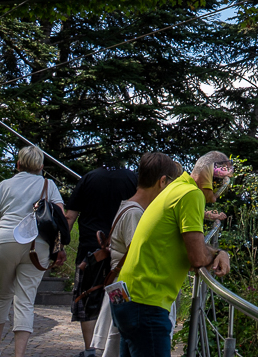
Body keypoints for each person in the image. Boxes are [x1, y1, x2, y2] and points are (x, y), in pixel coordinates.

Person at [113, 152, 232, 357]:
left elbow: (189, 245)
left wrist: (217, 252)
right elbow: (197, 257)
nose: (219, 192)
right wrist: (218, 255)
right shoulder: (191, 194)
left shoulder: (176, 187)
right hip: (146, 303)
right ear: (208, 176)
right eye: (221, 181)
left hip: (125, 296)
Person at [89, 154, 181, 357]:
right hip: (131, 293)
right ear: (162, 182)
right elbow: (144, 256)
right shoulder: (135, 213)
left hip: (123, 291)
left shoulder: (129, 207)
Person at [0, 146, 67, 357]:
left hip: (4, 242)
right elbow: (60, 218)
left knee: (1, 296)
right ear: (41, 167)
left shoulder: (3, 186)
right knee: (25, 301)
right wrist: (59, 248)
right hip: (37, 245)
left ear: (18, 164)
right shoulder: (49, 185)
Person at [65, 164, 139, 357]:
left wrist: (60, 247)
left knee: (87, 298)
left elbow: (70, 216)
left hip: (90, 251)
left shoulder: (89, 178)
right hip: (120, 252)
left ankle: (91, 350)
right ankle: (113, 347)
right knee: (117, 297)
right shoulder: (132, 179)